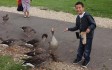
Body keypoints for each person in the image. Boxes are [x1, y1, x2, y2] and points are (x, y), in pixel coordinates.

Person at [64, 2, 96, 67]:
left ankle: (87, 60)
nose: (78, 9)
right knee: (80, 47)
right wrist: (68, 29)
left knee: (87, 49)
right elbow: (77, 27)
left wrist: (89, 28)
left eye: (79, 7)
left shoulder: (87, 15)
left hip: (88, 36)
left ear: (83, 8)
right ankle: (79, 58)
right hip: (81, 34)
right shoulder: (78, 17)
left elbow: (93, 24)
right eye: (76, 8)